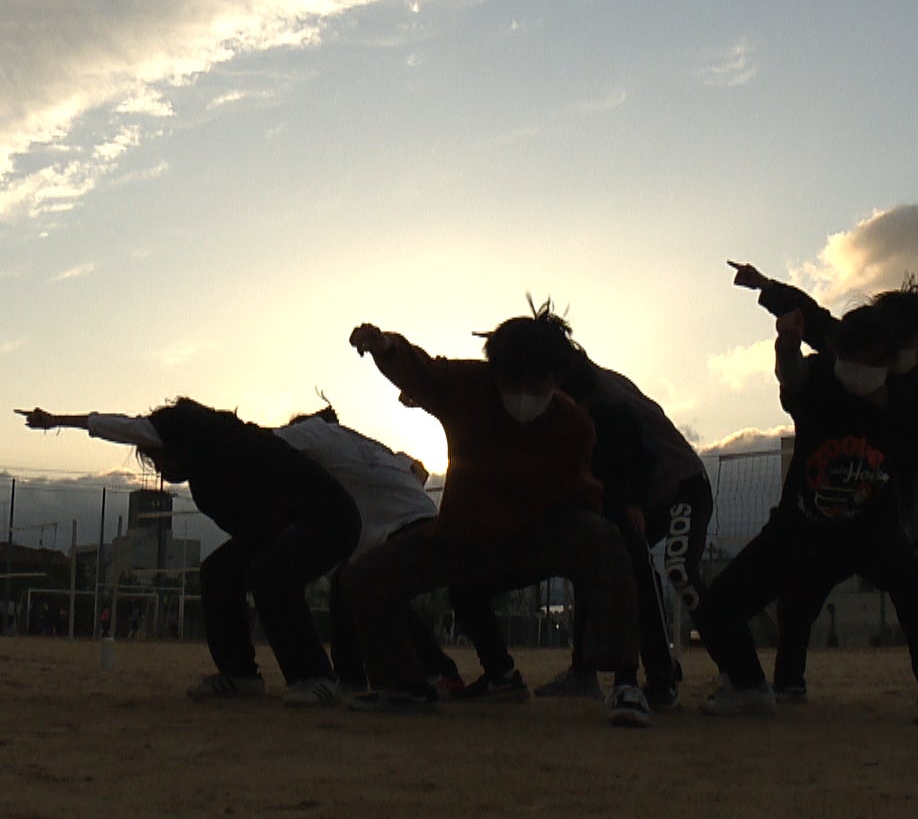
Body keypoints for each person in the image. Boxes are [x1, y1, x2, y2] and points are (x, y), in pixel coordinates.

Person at [730, 262, 918, 708]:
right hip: (841, 497)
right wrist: (766, 286)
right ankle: (789, 678)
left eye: (896, 348)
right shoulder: (857, 349)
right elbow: (811, 317)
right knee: (803, 580)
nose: (881, 357)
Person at [340, 314, 651, 727]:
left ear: (556, 378)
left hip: (541, 536)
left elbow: (584, 496)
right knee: (363, 576)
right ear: (494, 373)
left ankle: (626, 682)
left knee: (606, 539)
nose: (522, 394)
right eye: (511, 383)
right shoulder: (467, 387)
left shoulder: (575, 426)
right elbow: (423, 371)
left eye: (534, 384)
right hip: (465, 535)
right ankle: (403, 686)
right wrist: (385, 347)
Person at [693, 296, 918, 725]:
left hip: (874, 530)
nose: (853, 366)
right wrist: (787, 345)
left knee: (914, 590)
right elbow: (793, 376)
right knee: (718, 605)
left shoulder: (908, 404)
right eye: (847, 356)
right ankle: (751, 686)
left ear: (889, 362)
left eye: (866, 359)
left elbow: (916, 474)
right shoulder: (821, 380)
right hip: (801, 527)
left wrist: (909, 524)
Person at [450, 306, 714, 711]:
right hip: (617, 481)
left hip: (669, 485)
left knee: (628, 552)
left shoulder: (598, 401)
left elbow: (637, 451)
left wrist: (631, 503)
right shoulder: (566, 384)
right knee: (596, 549)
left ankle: (659, 676)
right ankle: (585, 670)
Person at [19, 399, 361, 708]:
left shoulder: (219, 442)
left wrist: (57, 420)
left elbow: (124, 425)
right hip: (280, 527)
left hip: (328, 519)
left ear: (178, 444)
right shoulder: (206, 475)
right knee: (219, 571)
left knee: (269, 573)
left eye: (159, 457)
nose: (160, 469)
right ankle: (240, 674)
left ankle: (316, 677)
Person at [270, 405, 464, 694]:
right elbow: (418, 469)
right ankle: (357, 676)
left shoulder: (316, 437)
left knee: (359, 584)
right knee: (359, 585)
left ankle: (423, 673)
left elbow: (267, 443)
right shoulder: (365, 445)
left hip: (403, 529)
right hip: (425, 522)